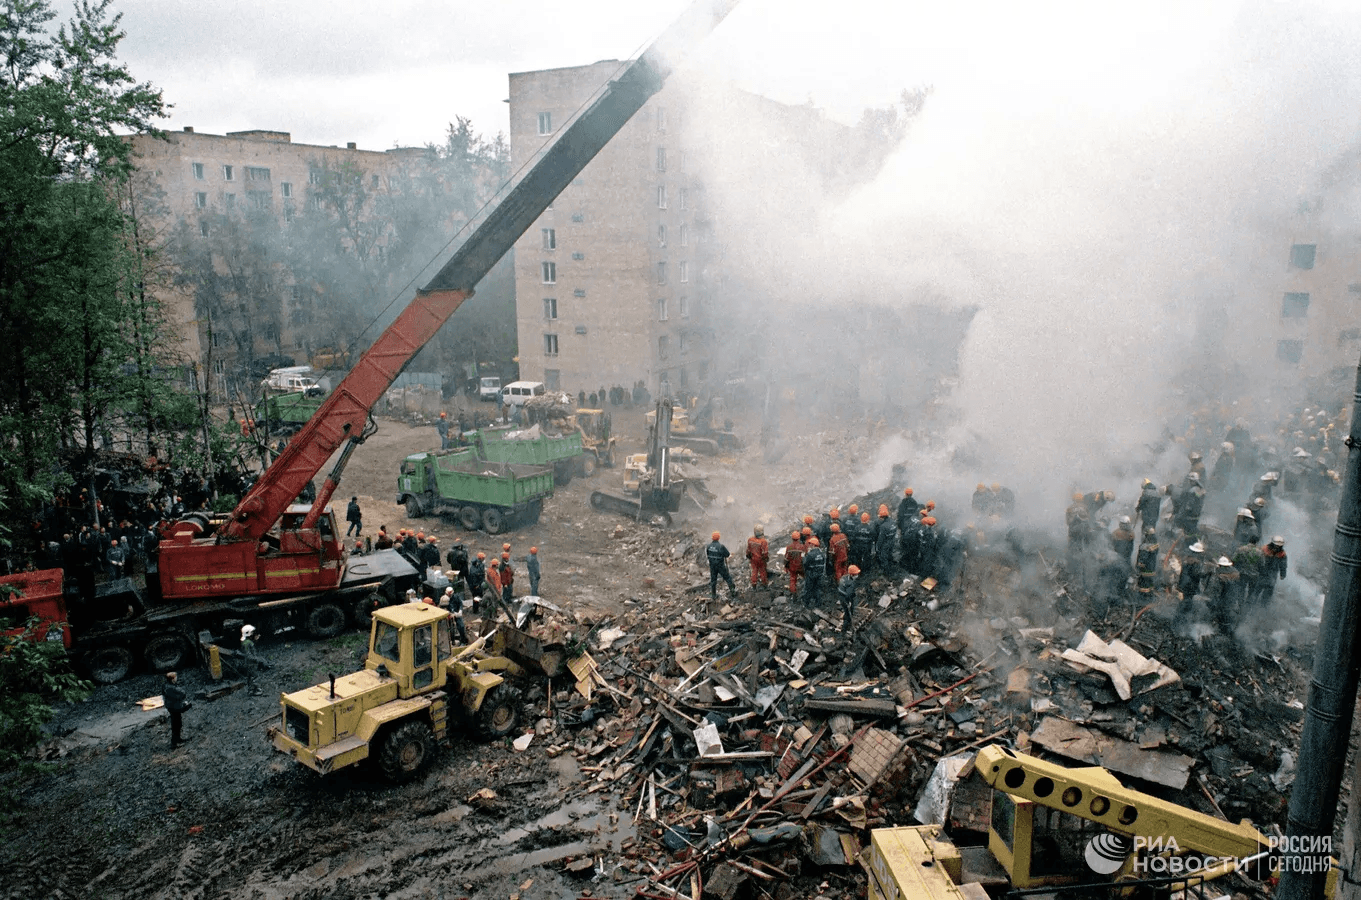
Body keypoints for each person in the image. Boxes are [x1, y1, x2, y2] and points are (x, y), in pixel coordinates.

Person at [706, 531, 737, 602]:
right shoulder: (721, 546)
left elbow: (708, 555)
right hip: (720, 566)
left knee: (713, 580)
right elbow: (727, 554)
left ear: (712, 538)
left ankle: (713, 595)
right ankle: (733, 592)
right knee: (727, 578)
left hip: (712, 566)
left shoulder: (708, 546)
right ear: (718, 538)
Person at [1257, 536, 1288, 604]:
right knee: (1256, 590)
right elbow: (1257, 560)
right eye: (1276, 546)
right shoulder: (1264, 549)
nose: (1277, 548)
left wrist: (1283, 574)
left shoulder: (1282, 554)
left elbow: (1283, 565)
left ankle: (1263, 607)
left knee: (1268, 593)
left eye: (1279, 546)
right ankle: (1250, 605)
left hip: (1272, 575)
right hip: (1261, 574)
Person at [163, 671, 189, 749]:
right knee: (176, 725)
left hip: (172, 707)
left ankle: (178, 740)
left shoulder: (166, 686)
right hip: (174, 708)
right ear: (173, 678)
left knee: (177, 724)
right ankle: (174, 743)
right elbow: (181, 693)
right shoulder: (171, 688)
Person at [240, 625, 267, 696]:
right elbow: (249, 655)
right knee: (255, 677)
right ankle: (257, 690)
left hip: (248, 663)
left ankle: (251, 690)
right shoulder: (248, 643)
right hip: (251, 663)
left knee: (250, 677)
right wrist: (258, 659)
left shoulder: (245, 642)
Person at [801, 537, 825, 606]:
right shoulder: (821, 553)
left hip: (811, 574)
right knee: (817, 588)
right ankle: (818, 603)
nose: (809, 545)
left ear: (813, 545)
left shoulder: (810, 554)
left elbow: (805, 564)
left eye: (810, 544)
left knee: (808, 588)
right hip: (820, 574)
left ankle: (806, 603)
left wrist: (803, 557)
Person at [837, 565, 860, 633]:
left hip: (850, 597)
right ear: (852, 574)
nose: (857, 575)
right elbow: (843, 592)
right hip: (845, 599)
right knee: (847, 614)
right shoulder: (844, 581)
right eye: (856, 574)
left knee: (852, 611)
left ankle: (849, 623)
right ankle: (844, 630)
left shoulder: (851, 579)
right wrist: (847, 602)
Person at [784, 530, 805, 597]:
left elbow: (786, 558)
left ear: (792, 538)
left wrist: (786, 567)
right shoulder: (802, 546)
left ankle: (793, 594)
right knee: (806, 577)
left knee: (792, 580)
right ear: (799, 538)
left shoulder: (789, 547)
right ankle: (806, 591)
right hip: (801, 566)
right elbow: (805, 557)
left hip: (792, 567)